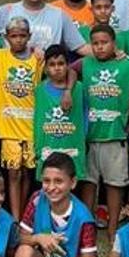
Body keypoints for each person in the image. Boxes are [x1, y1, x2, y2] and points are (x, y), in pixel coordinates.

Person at [74, 24, 129, 241]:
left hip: (116, 136)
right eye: (95, 43)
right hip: (89, 136)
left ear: (114, 44)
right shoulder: (85, 64)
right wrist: (69, 91)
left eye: (104, 42)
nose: (100, 47)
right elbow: (65, 72)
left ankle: (113, 227)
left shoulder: (127, 65)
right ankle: (87, 226)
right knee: (88, 183)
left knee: (115, 184)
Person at [0, 17, 41, 221]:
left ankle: (23, 216)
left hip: (30, 127)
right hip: (8, 128)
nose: (18, 40)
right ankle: (14, 217)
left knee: (27, 173)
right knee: (13, 174)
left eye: (22, 36)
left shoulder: (38, 59)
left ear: (29, 37)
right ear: (6, 37)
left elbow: (66, 69)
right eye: (14, 36)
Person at [33, 44, 87, 180]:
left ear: (68, 66)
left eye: (61, 63)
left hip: (72, 151)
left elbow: (86, 117)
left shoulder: (79, 89)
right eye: (52, 64)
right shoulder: (39, 91)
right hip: (47, 151)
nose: (57, 68)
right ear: (45, 68)